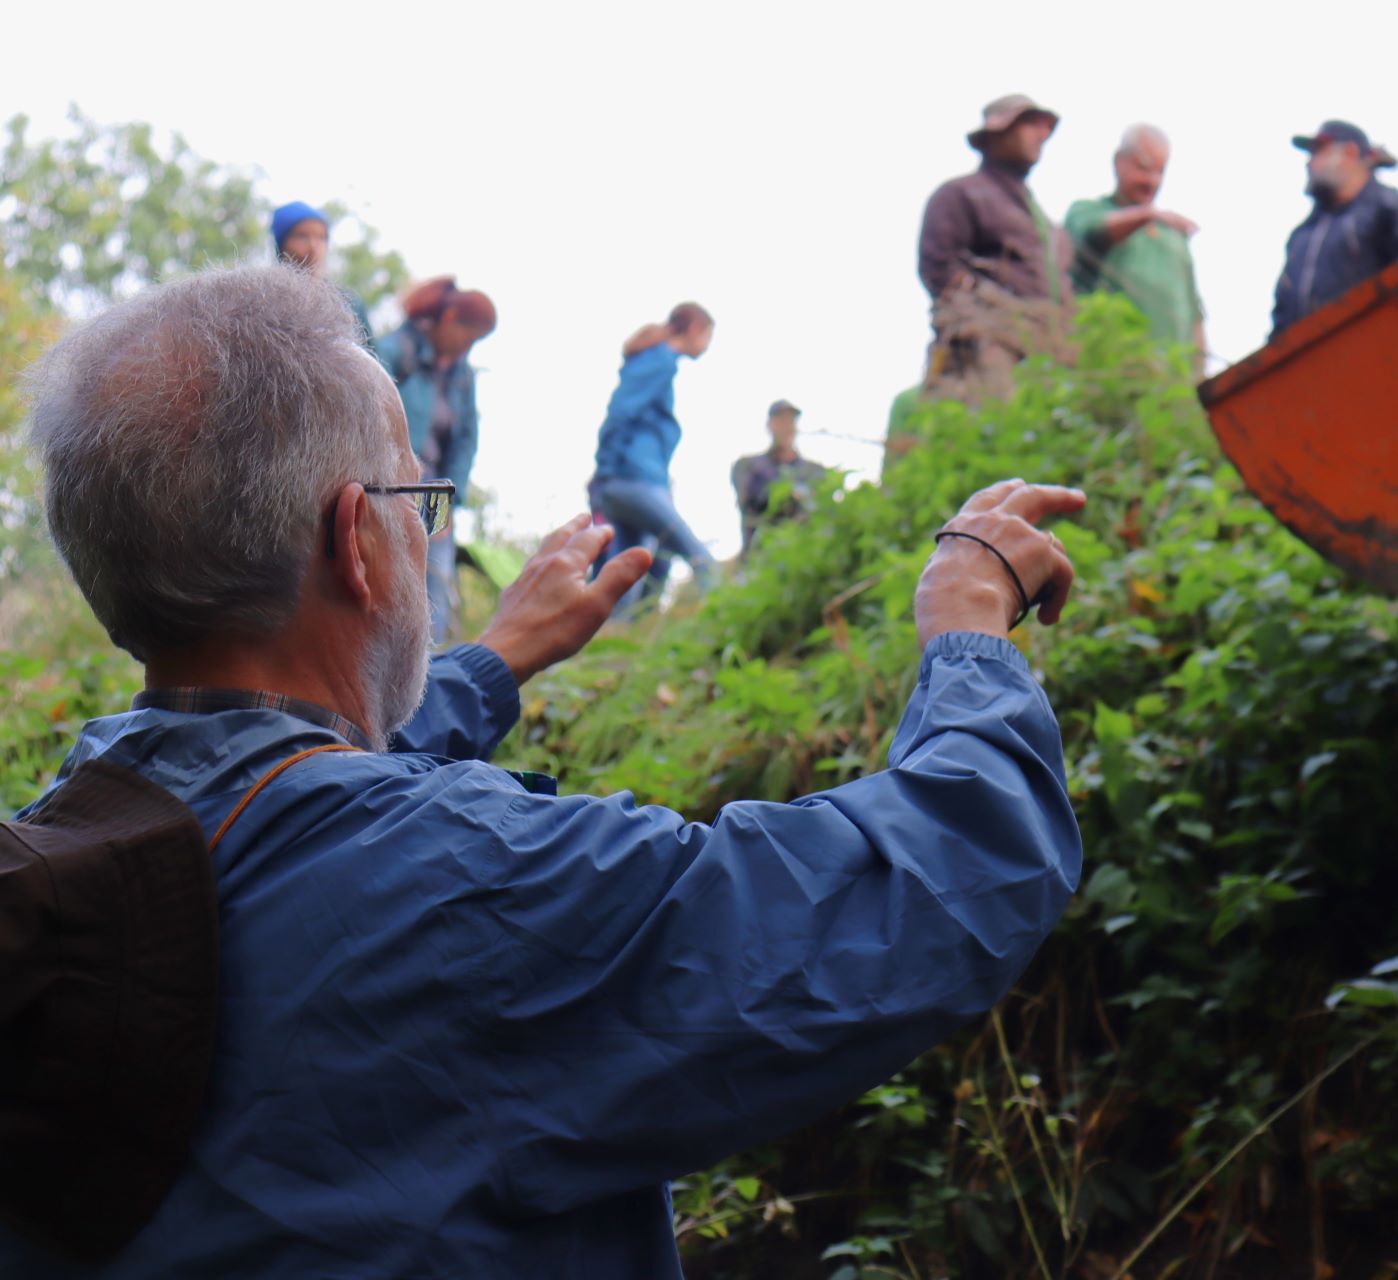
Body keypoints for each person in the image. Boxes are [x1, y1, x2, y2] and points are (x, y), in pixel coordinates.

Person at [6, 263, 1085, 1278]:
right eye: (415, 507)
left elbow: (286, 809)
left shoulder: (74, 837)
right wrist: (969, 624)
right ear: (356, 542)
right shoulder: (482, 884)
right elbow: (930, 884)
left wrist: (494, 661)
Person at [917, 94, 1074, 403]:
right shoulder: (960, 195)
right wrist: (990, 319)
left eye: (1043, 128)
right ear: (997, 134)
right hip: (983, 359)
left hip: (1046, 360)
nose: (1040, 136)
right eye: (1028, 125)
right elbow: (939, 268)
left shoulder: (1043, 223)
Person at [374, 276, 496, 644]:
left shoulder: (462, 377)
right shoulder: (396, 351)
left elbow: (465, 440)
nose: (467, 347)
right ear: (450, 317)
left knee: (436, 579)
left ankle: (433, 667)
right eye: (468, 334)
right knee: (387, 576)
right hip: (389, 482)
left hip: (435, 489)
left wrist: (449, 500)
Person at [589, 303, 718, 608]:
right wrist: (606, 473)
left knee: (621, 576)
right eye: (709, 336)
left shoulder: (656, 361)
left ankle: (606, 645)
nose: (708, 345)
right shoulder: (659, 361)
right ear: (695, 329)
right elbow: (620, 412)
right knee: (699, 557)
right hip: (633, 479)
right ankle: (732, 623)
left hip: (625, 479)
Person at [1269, 119, 1398, 341]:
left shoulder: (1387, 208)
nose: (1309, 163)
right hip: (1313, 367)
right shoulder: (1302, 237)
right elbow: (1282, 317)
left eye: (1318, 152)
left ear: (1349, 153)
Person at [1066, 124, 1207, 354]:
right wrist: (1150, 214)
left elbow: (1194, 315)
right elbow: (1094, 234)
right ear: (1118, 162)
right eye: (1144, 168)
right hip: (1111, 368)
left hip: (1172, 378)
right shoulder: (1087, 211)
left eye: (1160, 171)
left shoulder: (1173, 236)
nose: (1152, 181)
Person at [730, 399, 827, 554]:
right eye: (780, 420)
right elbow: (751, 503)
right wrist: (789, 495)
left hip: (805, 554)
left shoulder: (814, 471)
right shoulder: (748, 466)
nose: (786, 426)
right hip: (760, 556)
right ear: (769, 425)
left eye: (790, 421)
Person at [270, 199, 372, 345]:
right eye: (302, 236)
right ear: (282, 245)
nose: (313, 247)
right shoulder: (266, 303)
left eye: (321, 238)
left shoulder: (349, 305)